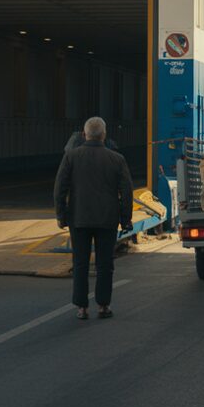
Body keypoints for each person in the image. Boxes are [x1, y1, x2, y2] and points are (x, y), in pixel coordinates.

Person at [53, 117, 134, 321]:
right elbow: (126, 192)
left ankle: (82, 308)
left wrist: (61, 215)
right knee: (105, 264)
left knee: (80, 263)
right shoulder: (117, 159)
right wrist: (125, 219)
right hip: (107, 220)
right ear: (104, 136)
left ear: (84, 134)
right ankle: (103, 305)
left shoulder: (71, 156)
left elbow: (59, 189)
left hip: (78, 218)